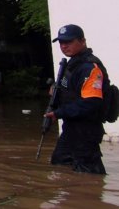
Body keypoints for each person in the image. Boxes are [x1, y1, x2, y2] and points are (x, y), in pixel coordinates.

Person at [44, 24, 107, 174]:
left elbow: (91, 103)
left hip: (86, 131)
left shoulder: (90, 67)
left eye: (69, 42)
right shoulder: (72, 64)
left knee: (89, 174)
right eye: (61, 43)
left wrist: (59, 113)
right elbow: (71, 93)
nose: (64, 46)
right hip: (71, 128)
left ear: (82, 41)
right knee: (60, 164)